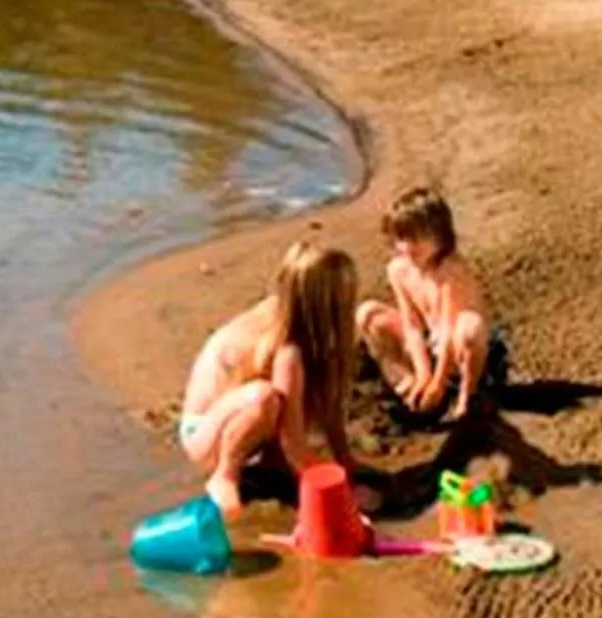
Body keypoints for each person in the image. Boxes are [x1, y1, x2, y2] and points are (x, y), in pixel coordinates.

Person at [177, 243, 359, 518]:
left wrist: (346, 462)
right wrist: (339, 493)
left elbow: (329, 404)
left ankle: (273, 465)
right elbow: (294, 444)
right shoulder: (286, 347)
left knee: (279, 398)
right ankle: (225, 475)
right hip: (203, 431)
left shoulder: (303, 329)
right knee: (264, 398)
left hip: (233, 418)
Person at [356, 187, 501, 424]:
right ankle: (407, 387)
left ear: (440, 236)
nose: (409, 247)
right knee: (368, 313)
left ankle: (467, 396)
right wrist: (424, 375)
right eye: (402, 238)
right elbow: (411, 325)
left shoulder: (450, 271)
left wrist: (438, 382)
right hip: (430, 341)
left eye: (418, 238)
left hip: (459, 349)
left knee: (470, 327)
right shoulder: (398, 270)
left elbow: (447, 331)